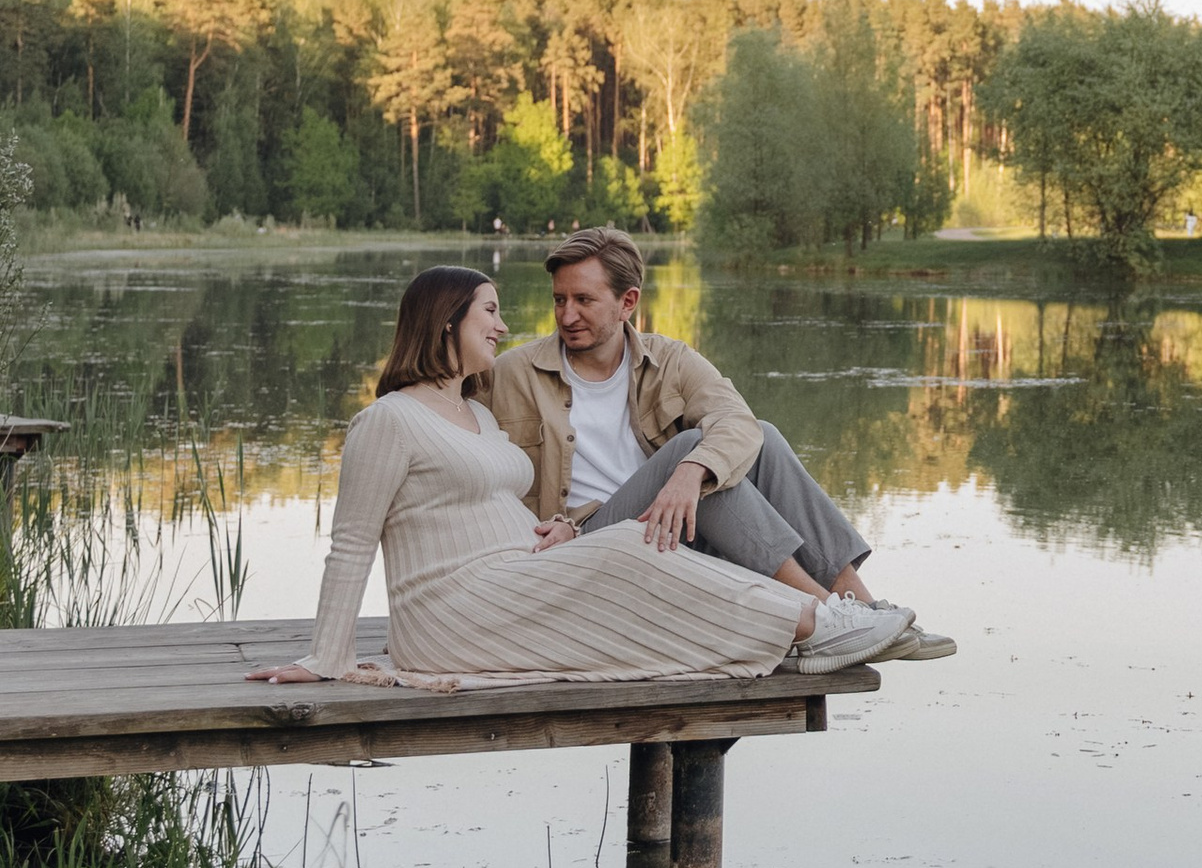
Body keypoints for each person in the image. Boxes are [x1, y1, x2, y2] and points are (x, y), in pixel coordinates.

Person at [248, 266, 904, 687]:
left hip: (525, 575)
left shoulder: (475, 409)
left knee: (701, 476)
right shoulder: (388, 421)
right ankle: (817, 622)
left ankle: (822, 619)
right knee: (631, 543)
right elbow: (353, 542)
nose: (505, 326)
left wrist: (563, 527)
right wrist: (323, 658)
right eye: (491, 313)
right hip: (455, 608)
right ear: (447, 322)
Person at [488, 228, 945, 658]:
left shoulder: (668, 360)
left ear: (627, 302)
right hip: (585, 547)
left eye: (583, 300)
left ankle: (861, 612)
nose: (567, 315)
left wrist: (691, 473)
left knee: (761, 436)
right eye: (560, 300)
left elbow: (738, 422)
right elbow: (437, 405)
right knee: (694, 448)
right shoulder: (512, 374)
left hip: (662, 534)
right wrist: (687, 468)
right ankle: (829, 621)